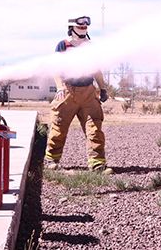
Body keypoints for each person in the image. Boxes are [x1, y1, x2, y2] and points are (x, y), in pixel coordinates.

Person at [44, 16, 113, 174]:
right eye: (80, 24)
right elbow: (56, 68)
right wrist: (60, 87)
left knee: (94, 127)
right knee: (59, 126)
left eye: (86, 24)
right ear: (71, 26)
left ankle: (97, 164)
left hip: (88, 92)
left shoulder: (90, 47)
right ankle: (51, 160)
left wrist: (102, 88)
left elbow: (96, 69)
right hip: (68, 91)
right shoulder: (63, 45)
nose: (84, 27)